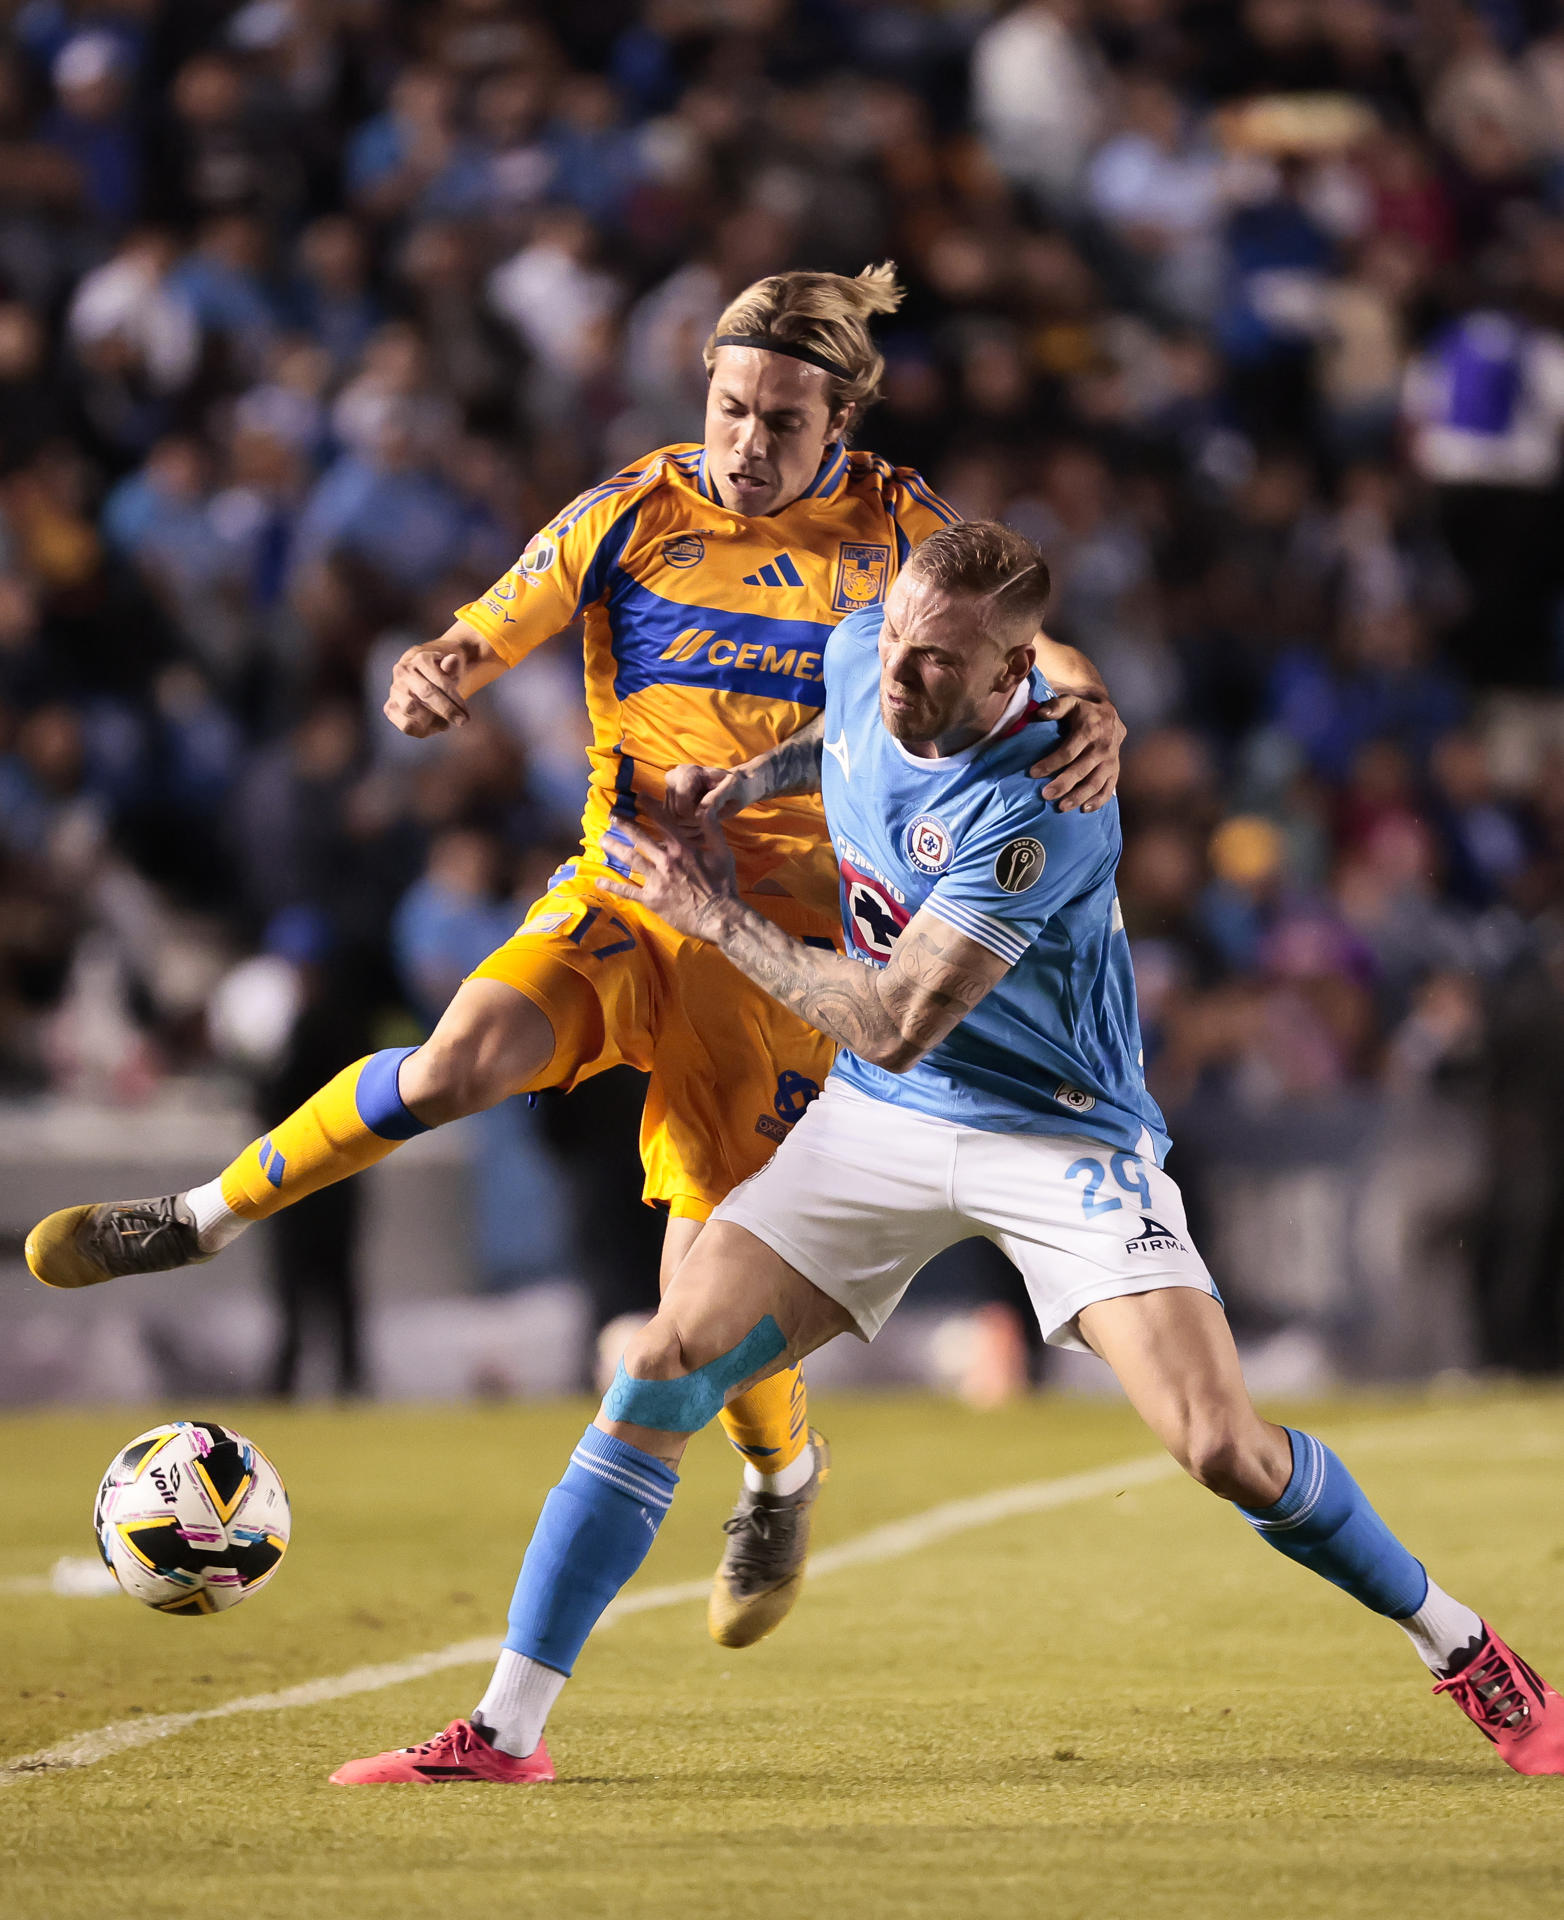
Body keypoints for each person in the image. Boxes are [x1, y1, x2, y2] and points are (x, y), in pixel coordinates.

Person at [329, 521, 1563, 1786]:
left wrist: (709, 911)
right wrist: (741, 788)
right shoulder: (872, 650)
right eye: (899, 646)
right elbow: (844, 735)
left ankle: (1465, 1648)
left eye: (938, 666)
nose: (900, 677)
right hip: (882, 1123)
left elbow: (895, 1020)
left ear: (1010, 672)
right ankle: (502, 1734)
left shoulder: (1043, 805)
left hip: (1056, 1131)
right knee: (662, 1361)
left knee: (1218, 1446)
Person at [25, 267, 1125, 1649]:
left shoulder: (901, 524)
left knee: (705, 1292)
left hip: (786, 949)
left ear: (840, 416)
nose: (747, 441)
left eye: (783, 419)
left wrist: (1094, 709)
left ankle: (783, 1471)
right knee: (457, 1061)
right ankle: (194, 1219)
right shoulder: (632, 510)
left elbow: (1029, 638)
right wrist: (432, 672)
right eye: (730, 407)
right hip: (626, 895)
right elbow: (482, 629)